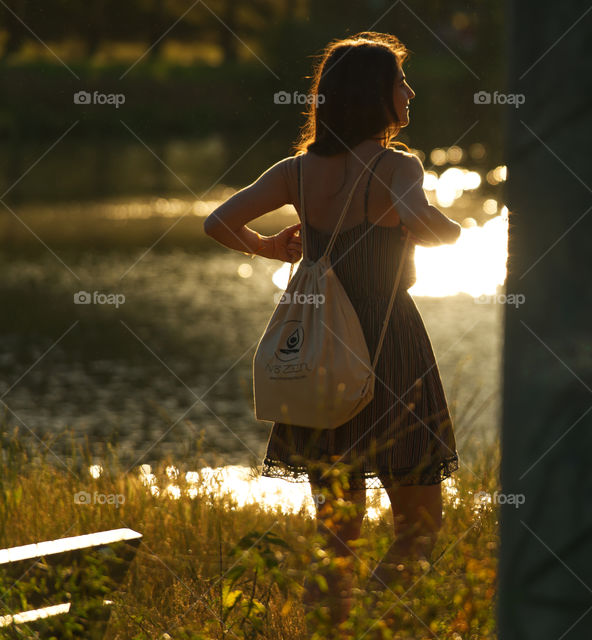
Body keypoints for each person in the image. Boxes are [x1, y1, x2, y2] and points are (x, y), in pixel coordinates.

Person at [202, 31, 462, 628]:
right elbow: (433, 229)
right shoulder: (398, 165)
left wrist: (269, 247)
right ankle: (378, 623)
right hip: (391, 349)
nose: (410, 90)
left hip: (321, 353)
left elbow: (218, 222)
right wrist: (439, 224)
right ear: (376, 96)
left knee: (336, 537)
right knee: (418, 526)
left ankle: (333, 629)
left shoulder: (295, 171)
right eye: (401, 80)